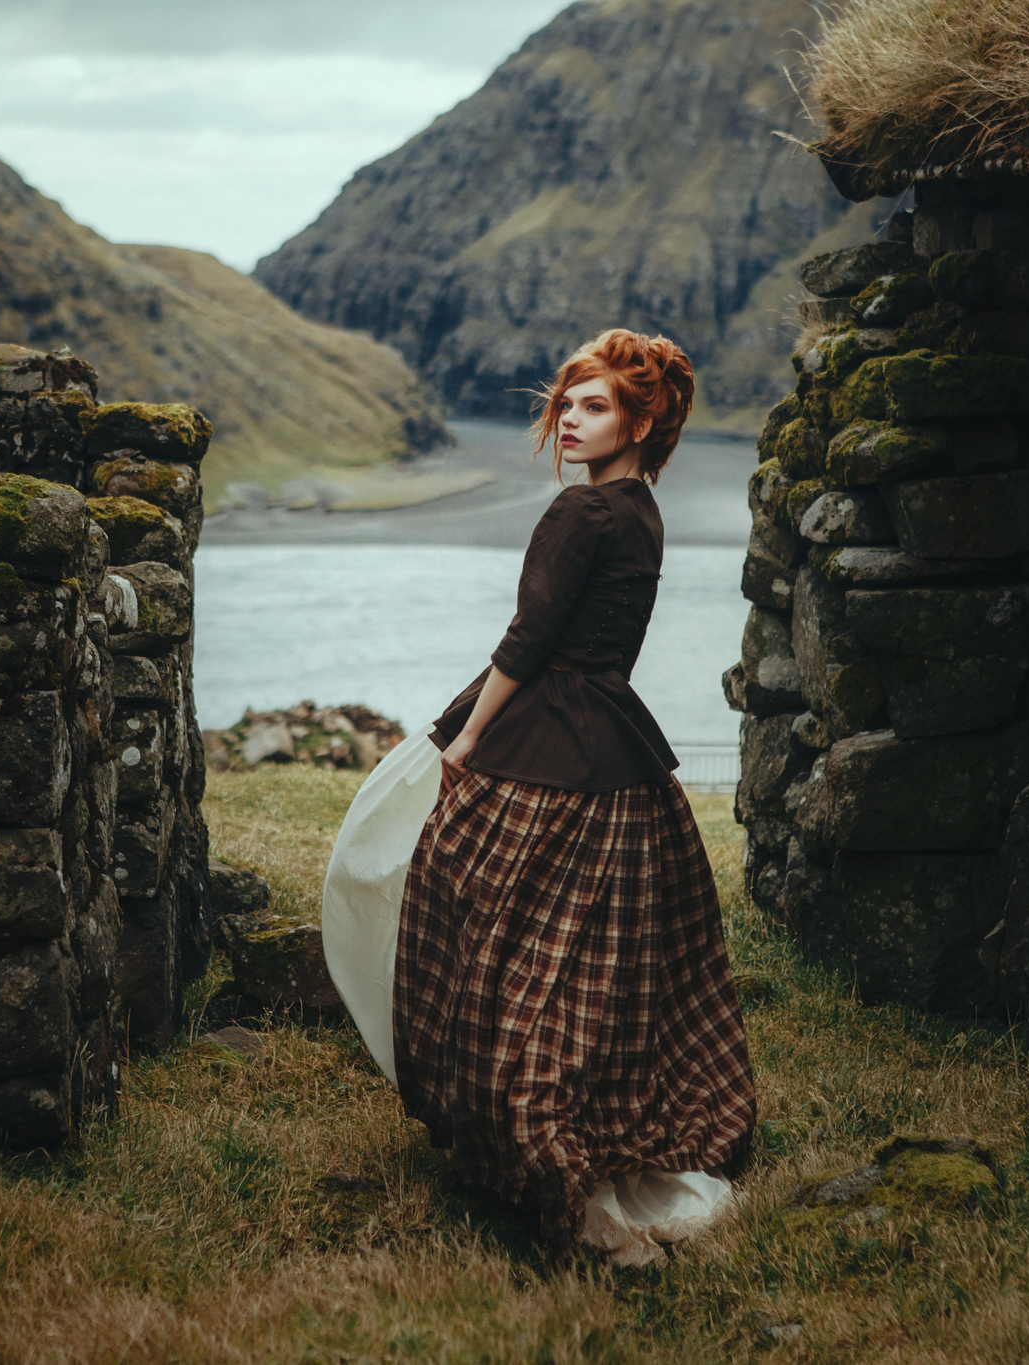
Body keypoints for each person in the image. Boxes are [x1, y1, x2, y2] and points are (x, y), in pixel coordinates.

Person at [320, 328, 756, 1266]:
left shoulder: (578, 514)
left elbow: (527, 640)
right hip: (619, 747)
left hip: (551, 731)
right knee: (606, 952)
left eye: (593, 405)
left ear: (642, 419)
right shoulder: (643, 510)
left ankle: (527, 1127)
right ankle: (598, 1102)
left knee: (477, 914)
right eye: (566, 402)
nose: (568, 418)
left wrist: (469, 735)